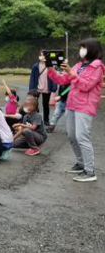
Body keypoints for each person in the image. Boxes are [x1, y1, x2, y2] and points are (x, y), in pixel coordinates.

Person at [48, 38, 105, 182]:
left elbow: (86, 85)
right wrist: (50, 68)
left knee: (82, 137)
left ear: (92, 49)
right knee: (72, 136)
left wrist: (71, 73)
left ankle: (90, 171)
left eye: (84, 47)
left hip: (85, 106)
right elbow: (62, 80)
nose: (81, 50)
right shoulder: (79, 65)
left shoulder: (97, 66)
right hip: (72, 104)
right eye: (81, 47)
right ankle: (81, 164)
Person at [29, 51, 58, 127]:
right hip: (37, 88)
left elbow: (54, 77)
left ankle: (46, 120)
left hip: (46, 88)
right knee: (34, 105)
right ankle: (34, 120)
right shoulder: (35, 66)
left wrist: (54, 87)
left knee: (45, 105)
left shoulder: (50, 66)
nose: (43, 57)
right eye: (41, 55)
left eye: (44, 55)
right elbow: (32, 78)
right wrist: (31, 89)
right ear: (39, 56)